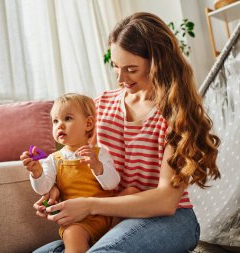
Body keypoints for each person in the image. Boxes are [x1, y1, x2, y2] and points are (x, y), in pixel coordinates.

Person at [32, 12, 221, 253]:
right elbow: (84, 163)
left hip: (171, 219)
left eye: (131, 69)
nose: (121, 78)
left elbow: (166, 200)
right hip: (111, 218)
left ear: (157, 63)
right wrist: (57, 191)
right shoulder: (100, 105)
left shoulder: (177, 114)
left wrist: (89, 205)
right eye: (115, 67)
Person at [21, 93, 135, 252]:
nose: (59, 125)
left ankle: (109, 238)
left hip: (109, 213)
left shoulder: (99, 153)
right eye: (55, 121)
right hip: (78, 221)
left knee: (132, 192)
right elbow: (43, 188)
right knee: (72, 234)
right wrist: (37, 173)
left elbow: (112, 184)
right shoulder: (53, 159)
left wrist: (97, 166)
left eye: (67, 118)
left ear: (88, 124)